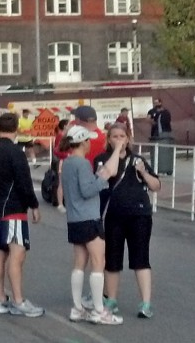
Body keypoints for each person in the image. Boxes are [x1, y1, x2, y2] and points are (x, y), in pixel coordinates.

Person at [0, 112, 44, 318]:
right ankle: (18, 300)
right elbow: (25, 183)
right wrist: (33, 205)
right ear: (16, 128)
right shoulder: (16, 153)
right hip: (13, 210)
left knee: (0, 253)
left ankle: (0, 298)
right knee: (18, 254)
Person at [94, 123, 161, 320]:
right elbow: (105, 176)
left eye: (122, 136)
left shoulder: (138, 160)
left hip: (139, 215)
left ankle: (146, 303)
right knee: (112, 260)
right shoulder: (102, 159)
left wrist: (144, 172)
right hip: (113, 215)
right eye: (114, 136)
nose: (119, 140)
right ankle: (112, 299)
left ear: (129, 138)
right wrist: (115, 152)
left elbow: (156, 186)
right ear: (109, 139)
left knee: (141, 259)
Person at [60, 124, 124, 325]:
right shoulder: (82, 164)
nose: (90, 143)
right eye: (87, 139)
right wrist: (102, 178)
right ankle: (98, 310)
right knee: (98, 262)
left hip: (74, 219)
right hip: (89, 218)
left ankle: (77, 308)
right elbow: (88, 191)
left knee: (79, 263)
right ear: (82, 142)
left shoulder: (67, 163)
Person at [146, 97, 174, 175]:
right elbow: (148, 119)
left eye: (157, 102)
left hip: (164, 133)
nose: (156, 104)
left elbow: (168, 121)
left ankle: (166, 167)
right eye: (155, 102)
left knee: (165, 150)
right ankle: (158, 167)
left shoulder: (165, 112)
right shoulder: (152, 111)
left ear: (161, 102)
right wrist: (152, 122)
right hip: (155, 133)